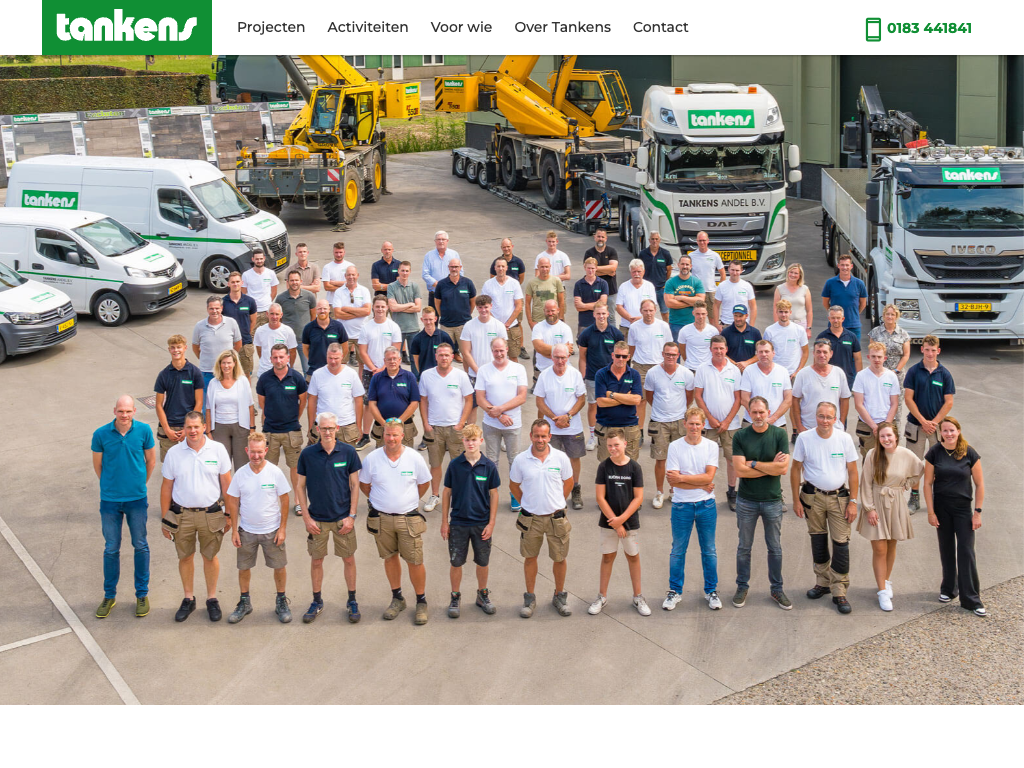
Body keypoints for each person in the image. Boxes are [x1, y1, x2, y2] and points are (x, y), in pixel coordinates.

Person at [159, 411, 233, 622]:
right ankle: (188, 598)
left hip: (211, 514)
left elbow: (227, 484)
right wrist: (165, 519)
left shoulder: (217, 449)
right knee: (185, 557)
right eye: (189, 427)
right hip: (182, 516)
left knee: (210, 557)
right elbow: (166, 488)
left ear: (204, 427)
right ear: (184, 428)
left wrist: (229, 514)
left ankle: (212, 598)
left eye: (196, 427)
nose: (192, 431)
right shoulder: (174, 453)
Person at [358, 419, 432, 625]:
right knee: (390, 558)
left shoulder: (414, 458)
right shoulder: (372, 459)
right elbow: (364, 485)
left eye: (395, 435)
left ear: (403, 436)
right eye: (388, 434)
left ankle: (421, 601)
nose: (391, 439)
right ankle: (397, 598)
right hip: (382, 520)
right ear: (383, 435)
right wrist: (380, 500)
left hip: (408, 519)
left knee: (415, 561)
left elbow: (424, 483)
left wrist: (408, 501)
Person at [791, 402, 860, 615]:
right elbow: (795, 469)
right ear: (816, 417)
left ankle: (839, 589)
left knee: (841, 543)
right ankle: (822, 582)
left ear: (835, 419)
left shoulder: (844, 439)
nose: (825, 421)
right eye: (821, 416)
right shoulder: (804, 438)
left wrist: (853, 501)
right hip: (813, 497)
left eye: (829, 417)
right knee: (818, 539)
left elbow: (853, 471)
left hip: (839, 498)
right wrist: (795, 500)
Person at [91, 395, 156, 619]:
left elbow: (151, 461)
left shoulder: (144, 431)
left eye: (128, 411)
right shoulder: (100, 434)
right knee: (111, 548)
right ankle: (109, 596)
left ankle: (142, 595)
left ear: (134, 411)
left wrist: (139, 484)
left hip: (136, 499)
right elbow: (98, 465)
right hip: (110, 501)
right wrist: (110, 487)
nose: (124, 415)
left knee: (140, 545)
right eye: (121, 411)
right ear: (114, 411)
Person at [295, 411, 362, 624]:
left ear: (337, 429)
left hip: (343, 519)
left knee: (349, 559)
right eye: (323, 428)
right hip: (317, 520)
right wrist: (306, 518)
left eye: (331, 428)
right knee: (316, 561)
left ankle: (352, 600)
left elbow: (355, 485)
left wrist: (351, 516)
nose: (327, 432)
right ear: (317, 429)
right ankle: (317, 601)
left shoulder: (348, 452)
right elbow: (300, 486)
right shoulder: (307, 454)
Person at [509, 419, 576, 618]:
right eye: (537, 436)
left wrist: (557, 501)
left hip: (557, 518)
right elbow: (513, 486)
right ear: (531, 436)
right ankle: (530, 598)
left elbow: (569, 482)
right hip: (531, 519)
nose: (540, 440)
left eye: (544, 436)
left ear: (550, 437)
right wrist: (527, 503)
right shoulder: (521, 460)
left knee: (560, 558)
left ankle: (559, 596)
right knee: (530, 558)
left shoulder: (560, 458)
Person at [225, 432, 292, 624]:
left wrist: (282, 529)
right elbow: (233, 501)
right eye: (253, 452)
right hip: (246, 531)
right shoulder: (240, 474)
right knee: (244, 567)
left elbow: (285, 500)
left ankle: (281, 601)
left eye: (260, 452)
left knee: (279, 566)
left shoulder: (275, 472)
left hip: (272, 531)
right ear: (247, 451)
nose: (256, 456)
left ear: (266, 450)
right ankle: (244, 602)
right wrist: (235, 530)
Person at [731, 396, 792, 610]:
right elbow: (740, 471)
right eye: (754, 412)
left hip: (772, 500)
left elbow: (783, 469)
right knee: (744, 548)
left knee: (774, 548)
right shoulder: (740, 436)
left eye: (761, 412)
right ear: (749, 413)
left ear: (768, 413)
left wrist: (754, 464)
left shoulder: (779, 434)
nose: (758, 416)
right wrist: (769, 467)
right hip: (746, 501)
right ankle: (741, 587)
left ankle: (777, 589)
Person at [856, 422, 924, 612]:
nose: (886, 439)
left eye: (889, 436)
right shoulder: (872, 455)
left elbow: (920, 470)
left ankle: (885, 581)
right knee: (880, 548)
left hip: (895, 503)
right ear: (878, 438)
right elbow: (865, 483)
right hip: (876, 503)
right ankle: (882, 592)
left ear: (896, 437)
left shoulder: (905, 454)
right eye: (882, 436)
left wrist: (906, 484)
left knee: (892, 544)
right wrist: (869, 509)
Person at [923, 417, 986, 616]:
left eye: (952, 430)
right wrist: (931, 512)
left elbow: (980, 484)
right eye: (945, 431)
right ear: (940, 433)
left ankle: (971, 599)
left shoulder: (969, 452)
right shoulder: (934, 452)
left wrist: (977, 512)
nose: (949, 434)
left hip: (963, 509)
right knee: (946, 549)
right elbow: (927, 484)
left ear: (958, 431)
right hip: (942, 508)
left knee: (966, 551)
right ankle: (949, 589)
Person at [663, 406, 721, 611]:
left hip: (706, 505)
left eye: (697, 424)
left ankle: (711, 591)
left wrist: (683, 478)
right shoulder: (675, 447)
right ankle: (674, 591)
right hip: (681, 506)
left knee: (709, 550)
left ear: (703, 425)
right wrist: (701, 484)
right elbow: (673, 482)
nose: (694, 427)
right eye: (691, 423)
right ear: (684, 424)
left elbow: (709, 476)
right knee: (678, 551)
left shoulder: (711, 446)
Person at [440, 424, 500, 618]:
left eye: (474, 440)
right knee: (456, 562)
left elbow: (494, 494)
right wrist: (444, 522)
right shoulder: (455, 465)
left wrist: (491, 523)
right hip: (458, 523)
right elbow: (447, 492)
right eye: (467, 440)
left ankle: (482, 594)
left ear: (481, 441)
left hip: (481, 523)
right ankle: (455, 596)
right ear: (463, 441)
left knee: (483, 561)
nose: (471, 443)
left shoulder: (489, 466)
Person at [590, 428, 649, 616]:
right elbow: (600, 498)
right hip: (608, 522)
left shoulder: (634, 468)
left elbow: (638, 498)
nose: (613, 448)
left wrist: (622, 521)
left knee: (633, 557)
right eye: (609, 446)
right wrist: (615, 523)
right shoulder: (604, 467)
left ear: (625, 444)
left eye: (616, 445)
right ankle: (602, 596)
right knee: (607, 557)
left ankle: (638, 597)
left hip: (629, 523)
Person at [418, 343, 474, 512]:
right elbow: (423, 400)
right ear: (436, 356)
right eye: (441, 355)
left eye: (447, 355)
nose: (444, 358)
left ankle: (460, 496)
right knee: (435, 464)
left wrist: (461, 423)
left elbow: (469, 400)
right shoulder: (427, 375)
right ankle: (435, 495)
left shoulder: (461, 375)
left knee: (460, 464)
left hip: (455, 429)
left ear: (452, 357)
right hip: (434, 429)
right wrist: (426, 424)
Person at [904, 335, 955, 512]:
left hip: (937, 428)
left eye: (933, 350)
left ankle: (938, 498)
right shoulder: (913, 371)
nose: (930, 353)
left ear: (938, 351)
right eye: (927, 350)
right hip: (916, 426)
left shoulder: (944, 374)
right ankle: (914, 498)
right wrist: (922, 421)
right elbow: (908, 399)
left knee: (940, 463)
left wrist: (933, 423)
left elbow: (949, 402)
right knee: (915, 463)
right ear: (922, 350)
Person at [534, 343, 588, 511]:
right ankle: (555, 492)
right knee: (551, 460)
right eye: (557, 357)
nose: (560, 361)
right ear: (551, 357)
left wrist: (568, 416)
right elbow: (539, 401)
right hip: (551, 428)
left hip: (572, 427)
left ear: (568, 357)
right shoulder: (544, 376)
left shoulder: (575, 374)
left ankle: (575, 489)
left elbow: (581, 399)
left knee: (574, 458)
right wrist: (554, 419)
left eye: (563, 357)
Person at [256, 344, 308, 515]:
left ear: (288, 358)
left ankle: (298, 501)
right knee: (268, 468)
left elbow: (302, 402)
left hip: (292, 431)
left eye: (281, 357)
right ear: (271, 359)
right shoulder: (264, 379)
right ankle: (269, 501)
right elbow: (262, 404)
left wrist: (294, 419)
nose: (278, 360)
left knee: (296, 468)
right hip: (270, 431)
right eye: (275, 357)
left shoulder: (297, 378)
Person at [693, 335, 743, 511]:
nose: (719, 351)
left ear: (726, 349)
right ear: (710, 349)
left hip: (731, 425)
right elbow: (698, 396)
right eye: (715, 348)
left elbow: (738, 398)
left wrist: (727, 421)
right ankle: (703, 491)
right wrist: (710, 418)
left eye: (721, 348)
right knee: (705, 459)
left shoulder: (734, 370)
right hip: (708, 425)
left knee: (732, 461)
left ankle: (732, 492)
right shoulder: (702, 369)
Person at [644, 342, 694, 509]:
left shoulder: (686, 373)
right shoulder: (652, 373)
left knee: (679, 459)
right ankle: (660, 492)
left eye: (673, 354)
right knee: (660, 459)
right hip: (659, 421)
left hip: (680, 421)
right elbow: (649, 396)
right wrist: (662, 410)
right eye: (667, 354)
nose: (670, 357)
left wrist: (679, 411)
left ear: (678, 355)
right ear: (662, 354)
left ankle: (675, 491)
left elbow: (689, 396)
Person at [577, 304, 624, 451]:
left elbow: (621, 357)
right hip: (592, 377)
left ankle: (613, 437)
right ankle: (593, 436)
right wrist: (583, 377)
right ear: (594, 315)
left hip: (612, 377)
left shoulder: (616, 334)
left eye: (603, 313)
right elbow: (582, 357)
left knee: (613, 405)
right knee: (593, 405)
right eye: (598, 313)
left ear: (608, 314)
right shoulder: (586, 334)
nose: (601, 316)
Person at [358, 296, 402, 446]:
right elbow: (362, 351)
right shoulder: (366, 327)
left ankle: (389, 434)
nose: (380, 309)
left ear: (387, 308)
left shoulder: (394, 327)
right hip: (370, 371)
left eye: (383, 306)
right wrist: (373, 368)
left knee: (388, 402)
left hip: (390, 371)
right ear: (373, 308)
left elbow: (396, 350)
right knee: (369, 404)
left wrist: (383, 368)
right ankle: (365, 436)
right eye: (377, 306)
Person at [155, 334, 203, 460]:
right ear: (169, 350)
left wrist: (189, 427)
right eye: (173, 347)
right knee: (169, 464)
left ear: (185, 348)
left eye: (179, 347)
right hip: (169, 425)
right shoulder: (164, 374)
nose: (176, 350)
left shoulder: (195, 372)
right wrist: (166, 429)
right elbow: (158, 405)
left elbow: (199, 403)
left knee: (190, 462)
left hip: (188, 426)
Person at [306, 342, 365, 448]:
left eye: (336, 358)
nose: (333, 361)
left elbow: (359, 400)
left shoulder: (351, 374)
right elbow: (312, 401)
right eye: (330, 358)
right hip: (323, 426)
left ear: (342, 356)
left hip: (347, 426)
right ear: (326, 356)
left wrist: (359, 426)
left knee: (347, 457)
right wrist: (311, 426)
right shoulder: (317, 374)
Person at [205, 349, 255, 470]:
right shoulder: (213, 383)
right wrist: (208, 432)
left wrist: (252, 429)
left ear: (234, 364)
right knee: (222, 466)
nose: (226, 366)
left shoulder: (243, 381)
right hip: (219, 428)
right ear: (219, 364)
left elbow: (250, 406)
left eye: (229, 362)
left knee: (242, 465)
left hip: (240, 427)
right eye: (223, 363)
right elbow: (208, 409)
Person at [627, 298, 671, 434]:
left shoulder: (663, 326)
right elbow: (631, 349)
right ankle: (639, 432)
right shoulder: (634, 327)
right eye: (645, 310)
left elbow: (669, 347)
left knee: (661, 400)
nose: (648, 313)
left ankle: (659, 432)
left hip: (660, 367)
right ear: (640, 311)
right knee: (640, 401)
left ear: (655, 310)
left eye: (651, 310)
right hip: (640, 367)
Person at [792, 340, 851, 439]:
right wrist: (799, 426)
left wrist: (841, 423)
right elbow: (795, 400)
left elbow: (845, 399)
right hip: (808, 429)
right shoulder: (803, 374)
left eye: (825, 352)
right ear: (813, 353)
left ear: (831, 354)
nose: (821, 355)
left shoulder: (839, 373)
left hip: (834, 429)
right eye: (818, 352)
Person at [594, 340, 643, 461]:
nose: (621, 359)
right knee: (606, 465)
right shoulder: (601, 374)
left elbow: (637, 400)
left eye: (624, 356)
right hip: (607, 426)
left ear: (628, 357)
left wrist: (612, 395)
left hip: (629, 427)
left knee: (630, 465)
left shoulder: (634, 375)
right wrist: (627, 398)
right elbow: (601, 402)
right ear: (612, 355)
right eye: (618, 356)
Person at [869, 303, 911, 431]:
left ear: (896, 316)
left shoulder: (903, 334)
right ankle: (876, 432)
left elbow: (906, 355)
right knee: (877, 403)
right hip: (878, 374)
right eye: (887, 314)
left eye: (893, 314)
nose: (890, 317)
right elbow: (872, 352)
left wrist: (896, 370)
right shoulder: (875, 332)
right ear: (883, 315)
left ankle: (894, 434)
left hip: (896, 376)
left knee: (896, 406)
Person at [853, 342, 900, 457]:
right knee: (869, 458)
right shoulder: (861, 376)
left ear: (885, 358)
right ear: (868, 357)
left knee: (889, 457)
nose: (876, 360)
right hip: (867, 425)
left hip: (888, 422)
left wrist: (886, 426)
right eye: (873, 356)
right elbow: (858, 404)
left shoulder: (891, 376)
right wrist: (874, 427)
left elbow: (894, 404)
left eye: (879, 357)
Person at [367, 347, 421, 448]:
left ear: (400, 360)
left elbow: (414, 403)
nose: (392, 361)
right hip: (382, 427)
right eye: (389, 359)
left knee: (405, 456)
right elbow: (372, 403)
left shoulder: (409, 377)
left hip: (405, 426)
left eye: (395, 358)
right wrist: (384, 424)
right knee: (383, 456)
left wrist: (399, 422)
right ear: (384, 361)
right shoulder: (376, 378)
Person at [192, 296, 242, 402]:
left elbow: (238, 343)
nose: (214, 311)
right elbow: (195, 346)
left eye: (217, 308)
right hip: (207, 372)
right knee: (207, 404)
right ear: (207, 309)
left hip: (227, 372)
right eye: (211, 308)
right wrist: (205, 358)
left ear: (222, 308)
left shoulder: (231, 323)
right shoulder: (199, 326)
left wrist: (230, 359)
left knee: (227, 403)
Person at [739, 340, 793, 431]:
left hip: (777, 424)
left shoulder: (783, 371)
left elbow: (788, 400)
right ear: (756, 354)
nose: (764, 354)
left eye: (767, 351)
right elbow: (744, 398)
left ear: (773, 353)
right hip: (751, 423)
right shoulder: (749, 371)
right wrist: (758, 417)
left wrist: (773, 419)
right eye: (761, 352)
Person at [460, 295, 508, 389]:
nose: (483, 310)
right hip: (475, 374)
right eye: (480, 307)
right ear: (476, 307)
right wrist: (478, 372)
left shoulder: (499, 326)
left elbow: (503, 351)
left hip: (495, 373)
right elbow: (465, 352)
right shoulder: (469, 326)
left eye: (486, 307)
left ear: (491, 306)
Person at [482, 256, 525, 361]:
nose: (500, 268)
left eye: (502, 266)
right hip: (493, 327)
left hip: (511, 327)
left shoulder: (514, 283)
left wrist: (508, 323)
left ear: (506, 268)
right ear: (495, 268)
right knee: (492, 356)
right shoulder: (488, 284)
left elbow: (519, 305)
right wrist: (497, 324)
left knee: (513, 356)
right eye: (498, 266)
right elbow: (484, 305)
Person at [433, 257, 476, 359]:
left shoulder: (468, 283)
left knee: (467, 354)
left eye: (456, 267)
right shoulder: (441, 284)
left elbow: (473, 301)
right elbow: (437, 303)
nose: (454, 269)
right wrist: (443, 315)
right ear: (448, 268)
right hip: (446, 326)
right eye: (452, 267)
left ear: (460, 267)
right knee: (445, 355)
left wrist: (466, 314)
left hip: (463, 325)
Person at [277, 270, 317, 374]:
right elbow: (278, 318)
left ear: (301, 281)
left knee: (308, 370)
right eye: (292, 280)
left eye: (296, 280)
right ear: (287, 282)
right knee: (286, 370)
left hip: (303, 341)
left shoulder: (309, 296)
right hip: (286, 342)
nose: (294, 282)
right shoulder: (280, 298)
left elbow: (313, 316)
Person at [332, 266, 372, 365]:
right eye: (349, 275)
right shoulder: (339, 292)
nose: (351, 277)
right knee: (341, 363)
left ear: (357, 275)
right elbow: (337, 314)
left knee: (363, 364)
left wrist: (347, 309)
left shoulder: (364, 291)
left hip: (361, 334)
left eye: (353, 274)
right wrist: (359, 313)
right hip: (344, 335)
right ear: (345, 276)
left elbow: (367, 311)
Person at [531, 299, 574, 389]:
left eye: (553, 310)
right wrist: (560, 351)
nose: (550, 313)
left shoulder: (565, 328)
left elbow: (567, 352)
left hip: (562, 372)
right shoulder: (538, 327)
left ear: (558, 310)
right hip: (542, 371)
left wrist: (546, 351)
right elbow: (539, 347)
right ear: (544, 311)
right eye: (548, 311)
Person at [222, 271, 258, 377]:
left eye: (237, 281)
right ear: (228, 284)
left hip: (245, 343)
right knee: (228, 374)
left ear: (242, 283)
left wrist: (245, 333)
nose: (235, 284)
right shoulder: (223, 302)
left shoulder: (250, 301)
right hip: (228, 344)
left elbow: (253, 321)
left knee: (246, 374)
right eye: (232, 282)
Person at [302, 300, 349, 380]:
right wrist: (313, 360)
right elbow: (305, 348)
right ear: (316, 310)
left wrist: (336, 361)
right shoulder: (308, 328)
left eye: (325, 308)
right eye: (319, 309)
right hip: (314, 371)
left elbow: (345, 347)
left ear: (329, 309)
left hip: (333, 371)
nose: (322, 311)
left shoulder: (338, 326)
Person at [816, 306, 862, 389]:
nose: (836, 320)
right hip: (827, 378)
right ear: (829, 319)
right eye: (833, 318)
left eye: (838, 318)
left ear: (843, 319)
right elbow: (817, 358)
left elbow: (858, 359)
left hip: (847, 379)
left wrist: (860, 379)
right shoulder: (822, 337)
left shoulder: (851, 336)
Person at [523, 256, 566, 345]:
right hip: (538, 321)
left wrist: (561, 318)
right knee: (539, 347)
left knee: (556, 346)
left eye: (546, 266)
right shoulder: (532, 283)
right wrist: (530, 322)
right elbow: (527, 304)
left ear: (550, 266)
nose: (544, 269)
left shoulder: (556, 281)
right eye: (542, 267)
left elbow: (561, 301)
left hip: (554, 320)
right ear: (538, 267)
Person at [386, 260, 422, 364]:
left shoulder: (415, 286)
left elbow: (418, 308)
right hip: (398, 328)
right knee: (395, 358)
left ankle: (416, 375)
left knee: (415, 359)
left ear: (410, 271)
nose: (404, 273)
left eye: (407, 271)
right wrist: (410, 304)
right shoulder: (391, 286)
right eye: (402, 270)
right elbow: (393, 308)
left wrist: (399, 307)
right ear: (398, 271)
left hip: (413, 328)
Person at [821, 254, 868, 334]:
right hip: (835, 326)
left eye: (847, 265)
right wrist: (834, 315)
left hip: (854, 326)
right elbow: (825, 303)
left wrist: (854, 314)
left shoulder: (859, 283)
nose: (845, 267)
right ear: (838, 265)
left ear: (851, 266)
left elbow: (863, 303)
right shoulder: (830, 283)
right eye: (842, 265)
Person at [763, 299, 808, 379]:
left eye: (786, 312)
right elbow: (766, 353)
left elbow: (805, 352)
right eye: (781, 312)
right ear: (776, 312)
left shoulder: (799, 330)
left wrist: (798, 371)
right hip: (775, 373)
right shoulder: (769, 331)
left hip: (793, 374)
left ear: (790, 312)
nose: (783, 315)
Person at [614, 259, 657, 343]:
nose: (636, 274)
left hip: (646, 326)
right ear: (630, 272)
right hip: (626, 327)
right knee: (625, 351)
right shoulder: (623, 286)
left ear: (643, 272)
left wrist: (641, 319)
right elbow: (619, 307)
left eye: (639, 271)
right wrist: (631, 319)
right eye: (634, 272)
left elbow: (653, 307)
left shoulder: (649, 286)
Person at [664, 254, 704, 342]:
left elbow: (701, 301)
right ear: (678, 265)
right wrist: (692, 302)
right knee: (676, 350)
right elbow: (669, 303)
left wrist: (682, 298)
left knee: (693, 349)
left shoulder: (697, 282)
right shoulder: (670, 282)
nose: (684, 267)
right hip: (676, 324)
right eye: (682, 264)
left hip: (694, 323)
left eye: (687, 264)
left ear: (691, 266)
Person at [409, 307, 454, 381]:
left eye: (430, 319)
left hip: (442, 376)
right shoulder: (417, 339)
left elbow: (450, 356)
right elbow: (416, 360)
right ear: (421, 319)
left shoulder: (444, 336)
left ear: (435, 319)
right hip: (425, 377)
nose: (428, 322)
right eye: (425, 319)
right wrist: (422, 373)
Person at [253, 303, 297, 376]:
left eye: (277, 314)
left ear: (281, 315)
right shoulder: (260, 331)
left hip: (283, 372)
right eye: (272, 314)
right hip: (264, 371)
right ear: (267, 314)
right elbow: (259, 350)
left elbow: (292, 352)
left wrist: (289, 367)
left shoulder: (288, 331)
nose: (274, 317)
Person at [637, 231, 672, 319]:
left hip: (661, 289)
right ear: (649, 240)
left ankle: (666, 327)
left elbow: (669, 269)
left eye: (656, 239)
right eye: (652, 239)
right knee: (646, 311)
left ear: (660, 240)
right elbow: (639, 269)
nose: (654, 241)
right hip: (646, 289)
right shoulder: (643, 254)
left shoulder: (665, 253)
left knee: (665, 312)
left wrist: (665, 283)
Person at [422, 230, 461, 308]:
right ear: (435, 241)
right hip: (435, 294)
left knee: (451, 315)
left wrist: (450, 285)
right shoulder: (429, 255)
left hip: (451, 293)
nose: (441, 241)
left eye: (443, 239)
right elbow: (425, 275)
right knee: (433, 316)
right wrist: (440, 285)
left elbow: (460, 272)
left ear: (447, 241)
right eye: (438, 239)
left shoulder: (454, 254)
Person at [241, 250, 279, 328]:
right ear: (253, 259)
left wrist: (267, 302)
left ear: (264, 258)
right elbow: (243, 293)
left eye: (261, 258)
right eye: (257, 259)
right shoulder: (246, 275)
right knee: (252, 333)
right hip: (253, 312)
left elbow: (274, 291)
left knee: (267, 333)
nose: (259, 261)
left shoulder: (271, 273)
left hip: (267, 311)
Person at [774, 263, 812, 339]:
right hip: (785, 323)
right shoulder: (779, 288)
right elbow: (775, 309)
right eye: (791, 272)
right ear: (788, 273)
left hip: (801, 324)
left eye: (796, 273)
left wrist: (808, 328)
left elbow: (809, 310)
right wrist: (777, 326)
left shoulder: (805, 289)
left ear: (800, 275)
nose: (793, 275)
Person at [714, 262, 757, 328]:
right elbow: (716, 306)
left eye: (737, 270)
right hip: (726, 324)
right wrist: (717, 325)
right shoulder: (721, 286)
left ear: (741, 270)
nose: (734, 273)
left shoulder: (747, 286)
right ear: (728, 269)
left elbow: (753, 307)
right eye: (732, 270)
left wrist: (751, 326)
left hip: (743, 324)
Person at [688, 231, 725, 306]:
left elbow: (723, 274)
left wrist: (719, 290)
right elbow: (685, 273)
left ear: (708, 241)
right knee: (697, 313)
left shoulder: (715, 256)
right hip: (696, 292)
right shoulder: (691, 256)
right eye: (700, 240)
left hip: (711, 292)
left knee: (713, 314)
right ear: (697, 241)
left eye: (704, 240)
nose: (702, 243)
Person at [677, 301, 716, 372]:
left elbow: (715, 350)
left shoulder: (713, 331)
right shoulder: (684, 330)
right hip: (690, 368)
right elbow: (682, 350)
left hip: (708, 368)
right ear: (693, 313)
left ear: (707, 313)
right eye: (698, 314)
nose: (701, 317)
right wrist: (690, 362)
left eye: (703, 314)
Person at [572, 257, 609, 331]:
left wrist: (583, 305)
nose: (590, 270)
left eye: (592, 268)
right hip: (584, 323)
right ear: (584, 267)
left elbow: (602, 305)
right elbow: (578, 307)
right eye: (588, 268)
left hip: (600, 323)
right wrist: (596, 304)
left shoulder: (603, 283)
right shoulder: (578, 284)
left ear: (596, 268)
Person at [721, 305, 761, 372]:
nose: (738, 319)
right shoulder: (725, 332)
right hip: (730, 370)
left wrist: (746, 363)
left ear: (746, 316)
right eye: (735, 316)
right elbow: (721, 352)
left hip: (750, 370)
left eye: (740, 316)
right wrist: (735, 364)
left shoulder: (755, 333)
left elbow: (760, 353)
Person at [584, 228, 619, 299]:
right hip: (594, 290)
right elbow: (588, 271)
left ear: (606, 238)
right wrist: (608, 271)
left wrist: (595, 269)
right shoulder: (589, 253)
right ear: (594, 237)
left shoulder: (612, 251)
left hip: (610, 291)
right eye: (598, 236)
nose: (600, 239)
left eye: (603, 237)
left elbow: (613, 268)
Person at [320, 242, 356, 306]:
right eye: (336, 252)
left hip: (347, 302)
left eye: (340, 252)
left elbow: (353, 284)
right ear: (333, 252)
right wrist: (345, 286)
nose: (338, 255)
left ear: (344, 252)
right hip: (332, 302)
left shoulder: (350, 266)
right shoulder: (327, 267)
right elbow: (327, 287)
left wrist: (334, 282)